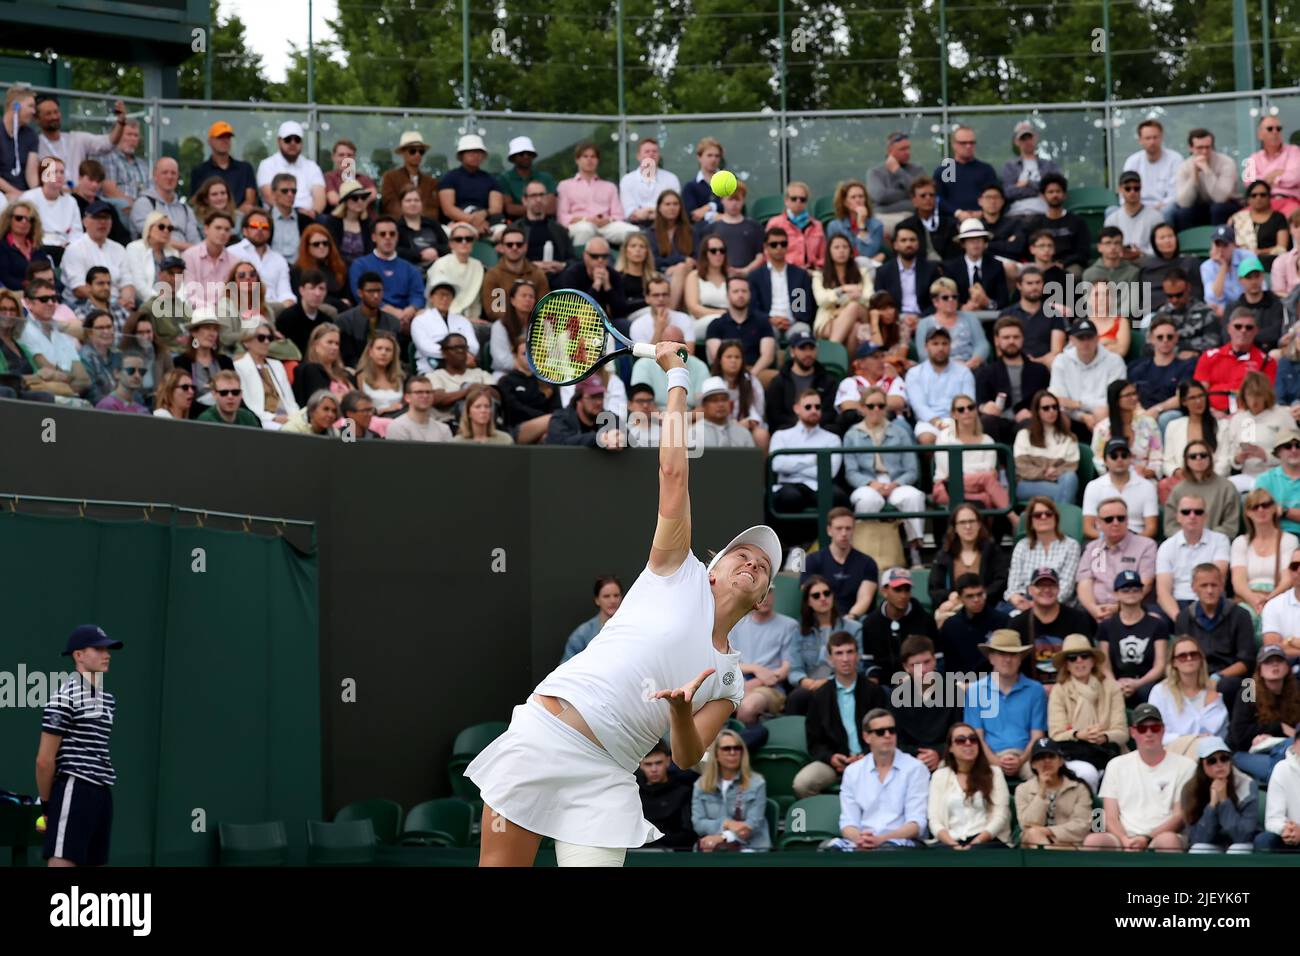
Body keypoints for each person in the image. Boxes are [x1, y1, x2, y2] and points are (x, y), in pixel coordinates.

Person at [468, 344, 781, 867]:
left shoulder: (728, 680)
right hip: (546, 735)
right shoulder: (675, 571)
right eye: (742, 553)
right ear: (714, 565)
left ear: (764, 597)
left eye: (764, 566)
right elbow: (673, 474)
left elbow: (685, 756)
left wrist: (681, 712)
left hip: (608, 775)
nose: (752, 563)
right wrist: (677, 378)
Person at [35, 624, 125, 867]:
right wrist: (46, 805)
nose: (107, 655)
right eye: (98, 649)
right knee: (63, 863)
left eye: (108, 649)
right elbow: (44, 760)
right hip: (74, 788)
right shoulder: (64, 697)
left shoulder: (108, 700)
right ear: (78, 655)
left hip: (102, 793)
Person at [1083, 702, 1196, 851]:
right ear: (1133, 732)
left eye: (1154, 728)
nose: (1149, 733)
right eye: (1142, 729)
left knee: (1169, 840)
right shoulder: (1116, 765)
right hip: (1123, 836)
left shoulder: (1186, 765)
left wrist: (1146, 838)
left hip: (1162, 835)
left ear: (1163, 730)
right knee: (1093, 840)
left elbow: (1179, 816)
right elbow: (1109, 816)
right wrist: (1125, 840)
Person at [793, 632, 889, 797]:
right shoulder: (820, 696)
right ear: (830, 659)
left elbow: (885, 731)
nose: (845, 659)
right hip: (834, 762)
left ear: (857, 656)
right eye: (839, 653)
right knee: (802, 784)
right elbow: (814, 741)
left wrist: (866, 755)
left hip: (872, 759)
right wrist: (831, 758)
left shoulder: (874, 691)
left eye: (849, 652)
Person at [828, 708, 928, 850]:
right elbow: (848, 823)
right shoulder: (853, 772)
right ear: (867, 737)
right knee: (829, 848)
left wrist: (881, 839)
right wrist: (863, 839)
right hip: (862, 842)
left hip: (901, 844)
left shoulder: (916, 768)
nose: (888, 735)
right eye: (881, 732)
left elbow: (916, 823)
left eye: (892, 730)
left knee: (889, 847)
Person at [843, 389, 925, 563]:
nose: (876, 410)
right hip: (867, 483)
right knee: (867, 501)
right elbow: (851, 472)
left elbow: (911, 470)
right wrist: (870, 483)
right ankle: (865, 552)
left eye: (880, 406)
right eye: (870, 406)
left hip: (896, 482)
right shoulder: (852, 434)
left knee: (914, 496)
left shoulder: (900, 432)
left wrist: (895, 484)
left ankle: (915, 549)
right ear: (862, 408)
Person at [1048, 634, 1128, 792]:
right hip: (1073, 753)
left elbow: (1122, 731)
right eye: (1072, 658)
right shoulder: (1059, 691)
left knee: (1117, 772)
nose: (1079, 661)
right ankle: (1090, 816)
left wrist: (1104, 736)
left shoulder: (1111, 687)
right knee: (1087, 773)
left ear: (1093, 661)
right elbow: (1055, 733)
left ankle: (1107, 816)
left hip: (1107, 751)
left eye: (1084, 656)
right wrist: (1078, 734)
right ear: (1066, 665)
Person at [965, 629, 1047, 781]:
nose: (1007, 659)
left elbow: (1037, 735)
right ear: (991, 658)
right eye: (1002, 654)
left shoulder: (1035, 690)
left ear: (1020, 659)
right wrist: (995, 762)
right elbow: (976, 736)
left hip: (1026, 757)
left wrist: (1021, 760)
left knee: (1043, 778)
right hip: (989, 757)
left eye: (1013, 654)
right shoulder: (976, 690)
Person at [931, 394, 1017, 529]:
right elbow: (950, 471)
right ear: (953, 414)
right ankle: (1013, 518)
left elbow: (989, 468)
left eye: (970, 408)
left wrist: (975, 473)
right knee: (987, 483)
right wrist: (982, 474)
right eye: (961, 409)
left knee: (986, 498)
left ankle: (985, 543)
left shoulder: (988, 440)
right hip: (948, 487)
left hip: (979, 488)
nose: (966, 412)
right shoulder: (944, 437)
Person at [784, 577, 865, 717]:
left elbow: (859, 665)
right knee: (797, 698)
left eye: (827, 593)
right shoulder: (799, 631)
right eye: (816, 595)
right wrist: (807, 682)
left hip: (842, 682)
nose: (823, 598)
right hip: (810, 685)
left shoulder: (853, 628)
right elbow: (794, 670)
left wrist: (828, 682)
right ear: (808, 602)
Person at [768, 387, 849, 519]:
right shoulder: (781, 435)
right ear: (796, 409)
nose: (813, 410)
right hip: (788, 486)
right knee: (789, 498)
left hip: (819, 486)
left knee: (838, 497)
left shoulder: (832, 438)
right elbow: (776, 465)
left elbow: (828, 473)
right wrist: (812, 461)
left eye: (817, 407)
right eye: (808, 407)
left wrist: (792, 467)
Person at [928, 722, 1012, 848]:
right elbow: (934, 820)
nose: (968, 743)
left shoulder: (994, 773)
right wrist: (953, 844)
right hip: (950, 841)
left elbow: (1000, 816)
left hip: (987, 841)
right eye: (961, 740)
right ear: (950, 747)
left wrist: (975, 843)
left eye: (973, 739)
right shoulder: (939, 776)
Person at [1010, 568, 1097, 682]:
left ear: (1059, 589)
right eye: (1040, 586)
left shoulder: (1077, 619)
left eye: (1052, 585)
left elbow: (1088, 658)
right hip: (1030, 689)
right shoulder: (1018, 623)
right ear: (1030, 590)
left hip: (1071, 686)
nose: (1046, 590)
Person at [890, 636, 963, 769]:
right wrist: (917, 755)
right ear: (906, 667)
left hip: (947, 761)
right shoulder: (897, 696)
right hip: (908, 762)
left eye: (927, 662)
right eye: (915, 665)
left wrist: (939, 753)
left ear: (935, 660)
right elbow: (895, 740)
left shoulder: (953, 691)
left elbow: (960, 734)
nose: (923, 670)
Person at [1230, 645, 1300, 784]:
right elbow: (1239, 734)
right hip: (1246, 752)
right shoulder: (1248, 689)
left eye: (1279, 660)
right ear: (1259, 670)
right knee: (1285, 770)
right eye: (1268, 661)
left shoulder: (1297, 688)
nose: (1274, 664)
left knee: (1288, 764)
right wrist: (1279, 728)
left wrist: (1273, 737)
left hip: (1287, 750)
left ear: (1287, 667)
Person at [976, 317, 1050, 447]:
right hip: (998, 421)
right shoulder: (986, 372)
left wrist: (1034, 412)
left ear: (1023, 339)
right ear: (997, 340)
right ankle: (998, 465)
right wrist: (985, 407)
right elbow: (979, 401)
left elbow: (1046, 399)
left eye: (1016, 337)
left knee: (1032, 424)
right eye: (1006, 337)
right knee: (987, 421)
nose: (1011, 341)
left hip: (1028, 420)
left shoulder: (1040, 371)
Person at [691, 731, 770, 852]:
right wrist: (726, 823)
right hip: (711, 846)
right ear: (716, 754)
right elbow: (698, 824)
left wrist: (723, 837)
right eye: (727, 749)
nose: (733, 752)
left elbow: (753, 824)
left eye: (737, 748)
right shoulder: (701, 785)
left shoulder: (757, 783)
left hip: (750, 846)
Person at [1097, 570, 1169, 704]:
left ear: (1142, 592)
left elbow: (1160, 665)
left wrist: (1138, 683)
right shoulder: (1106, 626)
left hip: (1147, 682)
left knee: (1151, 691)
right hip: (1116, 681)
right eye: (1125, 589)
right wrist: (1115, 684)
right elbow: (1104, 665)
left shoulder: (1157, 624)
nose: (1131, 593)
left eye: (1136, 589)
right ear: (1116, 594)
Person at [1148, 636, 1230, 753]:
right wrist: (1192, 740)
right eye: (1182, 656)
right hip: (1175, 754)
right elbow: (1156, 733)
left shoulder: (1215, 692)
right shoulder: (1160, 692)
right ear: (1174, 662)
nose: (1189, 658)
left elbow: (1223, 734)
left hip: (1212, 757)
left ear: (1201, 659)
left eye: (1194, 654)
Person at [930, 506, 1010, 626]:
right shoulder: (944, 555)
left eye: (972, 521)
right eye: (962, 522)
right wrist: (950, 596)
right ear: (955, 527)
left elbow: (1001, 581)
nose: (968, 527)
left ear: (979, 524)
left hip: (987, 607)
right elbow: (934, 588)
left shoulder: (992, 551)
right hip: (954, 608)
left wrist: (980, 597)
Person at [1158, 494, 1234, 620]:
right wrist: (1180, 620)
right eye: (1186, 512)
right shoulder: (1167, 547)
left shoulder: (1220, 540)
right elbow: (1163, 592)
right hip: (1178, 602)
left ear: (1205, 516)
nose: (1192, 516)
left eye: (1198, 512)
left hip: (1210, 600)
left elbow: (1216, 578)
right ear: (1178, 517)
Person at [727, 589, 796, 725]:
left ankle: (743, 744)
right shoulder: (736, 623)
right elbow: (727, 661)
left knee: (747, 708)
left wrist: (756, 682)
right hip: (736, 683)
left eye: (768, 592)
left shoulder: (789, 625)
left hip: (770, 687)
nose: (764, 597)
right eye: (759, 592)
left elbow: (786, 668)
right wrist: (755, 668)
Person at [1180, 735, 1260, 853]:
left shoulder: (1247, 785)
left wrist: (1224, 800)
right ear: (1202, 765)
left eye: (1224, 758)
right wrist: (1212, 805)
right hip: (1213, 844)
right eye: (1212, 761)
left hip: (1242, 845)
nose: (1219, 764)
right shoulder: (1190, 789)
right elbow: (1197, 839)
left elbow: (1242, 837)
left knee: (1237, 849)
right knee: (1198, 849)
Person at [346, 218, 426, 335]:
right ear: (374, 237)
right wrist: (392, 312)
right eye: (382, 234)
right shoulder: (360, 265)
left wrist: (410, 310)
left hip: (406, 317)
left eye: (392, 234)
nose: (388, 237)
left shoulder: (410, 268)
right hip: (374, 313)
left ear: (397, 237)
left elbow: (418, 295)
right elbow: (360, 295)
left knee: (424, 316)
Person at [1231, 489, 1299, 626]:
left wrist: (1269, 600)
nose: (1261, 510)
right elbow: (1238, 582)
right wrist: (1254, 600)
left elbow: (1287, 579)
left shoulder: (1289, 540)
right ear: (1248, 512)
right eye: (1254, 507)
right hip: (1247, 598)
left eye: (1266, 505)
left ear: (1274, 508)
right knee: (1243, 617)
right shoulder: (1240, 542)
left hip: (1279, 596)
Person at [1049, 319, 1128, 436]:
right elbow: (1059, 400)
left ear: (1097, 339)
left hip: (1104, 416)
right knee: (1055, 412)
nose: (1086, 343)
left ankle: (1106, 451)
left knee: (1103, 411)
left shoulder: (1114, 361)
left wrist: (1079, 404)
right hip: (1072, 416)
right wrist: (1083, 417)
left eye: (1089, 337)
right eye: (1081, 338)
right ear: (1072, 340)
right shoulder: (1061, 361)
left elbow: (1114, 400)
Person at [800, 507, 880, 620]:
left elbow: (865, 598)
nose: (844, 533)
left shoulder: (868, 563)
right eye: (839, 528)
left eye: (848, 528)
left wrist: (849, 619)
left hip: (855, 620)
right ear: (829, 530)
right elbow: (810, 594)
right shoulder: (811, 560)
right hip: (821, 620)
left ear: (854, 530)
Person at [860, 567, 938, 683]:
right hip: (884, 686)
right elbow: (869, 662)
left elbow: (938, 658)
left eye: (907, 590)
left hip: (921, 683)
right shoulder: (870, 623)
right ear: (884, 591)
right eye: (897, 590)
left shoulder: (925, 619)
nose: (903, 595)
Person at [556, 141, 639, 248]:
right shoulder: (565, 186)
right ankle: (580, 261)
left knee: (634, 232)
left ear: (597, 160)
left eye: (593, 156)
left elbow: (618, 215)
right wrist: (586, 219)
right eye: (585, 156)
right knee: (586, 229)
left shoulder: (609, 187)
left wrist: (607, 220)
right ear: (577, 160)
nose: (589, 160)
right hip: (580, 225)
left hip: (607, 226)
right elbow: (562, 217)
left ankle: (625, 263)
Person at [1016, 738, 1094, 848]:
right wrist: (1041, 792)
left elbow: (1082, 824)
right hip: (1034, 844)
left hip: (1069, 844)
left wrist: (1048, 831)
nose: (1046, 761)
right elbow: (1027, 824)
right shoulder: (1023, 789)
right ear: (1032, 765)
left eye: (1051, 756)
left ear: (1061, 761)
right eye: (1041, 758)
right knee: (1032, 833)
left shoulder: (1078, 788)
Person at [1005, 498, 1082, 609]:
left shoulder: (1071, 545)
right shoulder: (1022, 546)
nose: (1043, 517)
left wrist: (1039, 605)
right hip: (1024, 604)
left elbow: (1066, 589)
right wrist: (1018, 601)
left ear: (1056, 518)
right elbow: (1013, 587)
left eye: (1049, 514)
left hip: (1059, 606)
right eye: (1037, 515)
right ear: (1030, 522)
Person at [905, 327, 976, 446]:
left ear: (950, 346)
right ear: (926, 347)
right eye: (935, 344)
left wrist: (955, 423)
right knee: (927, 439)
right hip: (928, 422)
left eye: (944, 343)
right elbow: (919, 406)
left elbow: (968, 402)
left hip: (960, 419)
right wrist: (939, 423)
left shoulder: (964, 372)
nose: (940, 348)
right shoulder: (914, 373)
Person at [1159, 382, 1227, 506]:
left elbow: (1224, 460)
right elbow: (1167, 461)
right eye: (1193, 398)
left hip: (1211, 479)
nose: (1198, 401)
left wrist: (1205, 477)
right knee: (1164, 485)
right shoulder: (1174, 426)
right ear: (1184, 402)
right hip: (1182, 480)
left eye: (1201, 396)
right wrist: (1178, 472)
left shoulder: (1221, 426)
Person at [748, 227, 816, 350]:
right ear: (766, 247)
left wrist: (791, 319)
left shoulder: (798, 274)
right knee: (764, 333)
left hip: (793, 322)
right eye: (774, 245)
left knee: (803, 331)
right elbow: (754, 307)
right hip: (767, 322)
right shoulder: (756, 276)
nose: (779, 248)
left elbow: (802, 307)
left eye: (783, 244)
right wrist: (771, 319)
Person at [1224, 371, 1290, 493]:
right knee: (1226, 489)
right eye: (1250, 395)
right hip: (1247, 475)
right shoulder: (1238, 419)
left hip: (1275, 475)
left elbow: (1293, 452)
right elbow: (1229, 457)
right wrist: (1237, 459)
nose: (1254, 401)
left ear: (1266, 395)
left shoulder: (1282, 415)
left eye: (1258, 395)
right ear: (1244, 396)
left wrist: (1265, 455)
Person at [1012, 389, 1079, 504]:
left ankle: (1058, 519)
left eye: (1055, 407)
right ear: (1037, 411)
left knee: (1070, 478)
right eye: (1046, 408)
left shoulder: (1069, 438)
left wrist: (1056, 471)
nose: (1052, 411)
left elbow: (1071, 466)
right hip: (1028, 483)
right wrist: (1043, 473)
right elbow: (1022, 467)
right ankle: (1064, 518)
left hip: (1059, 481)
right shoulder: (1024, 435)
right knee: (1064, 492)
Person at [764, 331, 839, 432]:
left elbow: (829, 412)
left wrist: (811, 423)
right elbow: (775, 415)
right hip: (788, 433)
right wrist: (802, 424)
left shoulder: (827, 381)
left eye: (811, 348)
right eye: (802, 348)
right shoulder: (779, 382)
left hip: (820, 431)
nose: (808, 354)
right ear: (792, 352)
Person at [1162, 441, 1239, 538]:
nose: (1198, 458)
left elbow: (1230, 526)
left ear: (1210, 458)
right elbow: (1170, 526)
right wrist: (1189, 538)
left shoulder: (1227, 488)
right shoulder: (1178, 490)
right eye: (1193, 456)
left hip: (1216, 544)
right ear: (1186, 460)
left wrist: (1205, 538)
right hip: (1184, 545)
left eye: (1203, 455)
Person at [1172, 128, 1242, 231]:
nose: (1204, 152)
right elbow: (1184, 203)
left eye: (1207, 147)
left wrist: (1207, 171)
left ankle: (1219, 244)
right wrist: (1194, 176)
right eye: (1199, 148)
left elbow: (1220, 198)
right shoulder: (1184, 167)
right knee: (1183, 213)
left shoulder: (1226, 162)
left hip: (1227, 205)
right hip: (1200, 206)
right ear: (1191, 148)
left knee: (1218, 209)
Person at [233, 321, 298, 429]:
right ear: (246, 342)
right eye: (261, 338)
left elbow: (290, 400)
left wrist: (295, 417)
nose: (267, 342)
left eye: (270, 338)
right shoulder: (239, 366)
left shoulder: (277, 365)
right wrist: (273, 418)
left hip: (287, 418)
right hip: (262, 420)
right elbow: (249, 404)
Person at [813, 234, 873, 348]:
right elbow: (821, 300)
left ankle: (831, 352)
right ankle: (846, 365)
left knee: (854, 307)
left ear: (851, 251)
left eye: (845, 247)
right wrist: (843, 290)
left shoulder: (863, 273)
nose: (841, 251)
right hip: (828, 318)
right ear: (829, 252)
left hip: (860, 314)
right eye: (836, 247)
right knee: (855, 328)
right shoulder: (819, 275)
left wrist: (846, 305)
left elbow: (870, 298)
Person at [916, 277, 989, 371]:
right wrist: (949, 367)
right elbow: (923, 354)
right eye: (945, 298)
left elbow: (981, 344)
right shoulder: (924, 323)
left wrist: (971, 363)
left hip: (970, 367)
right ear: (935, 302)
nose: (951, 300)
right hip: (937, 369)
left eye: (954, 297)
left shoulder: (970, 317)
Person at [188, 121, 258, 217]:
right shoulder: (199, 171)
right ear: (210, 141)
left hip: (239, 222)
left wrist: (232, 216)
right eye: (220, 137)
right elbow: (196, 203)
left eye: (228, 137)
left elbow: (250, 202)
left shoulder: (245, 168)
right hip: (209, 222)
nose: (225, 141)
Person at [710, 336, 769, 450]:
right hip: (718, 427)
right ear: (720, 360)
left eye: (737, 357)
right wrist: (733, 426)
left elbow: (758, 411)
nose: (733, 361)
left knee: (761, 435)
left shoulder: (751, 382)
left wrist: (750, 422)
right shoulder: (713, 383)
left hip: (746, 426)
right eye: (729, 357)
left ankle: (760, 468)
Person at [636, 742, 697, 850]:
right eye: (648, 764)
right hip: (636, 851)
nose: (654, 769)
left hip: (674, 853)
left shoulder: (684, 791)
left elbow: (688, 833)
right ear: (640, 764)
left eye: (658, 763)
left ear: (668, 761)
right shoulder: (633, 791)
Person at [498, 339, 560, 445]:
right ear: (514, 355)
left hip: (547, 427)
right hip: (516, 429)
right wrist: (542, 417)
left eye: (532, 353)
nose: (529, 357)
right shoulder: (506, 381)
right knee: (554, 419)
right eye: (524, 354)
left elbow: (556, 408)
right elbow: (514, 409)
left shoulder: (548, 381)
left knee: (548, 436)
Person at [874, 223, 939, 324]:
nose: (908, 244)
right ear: (895, 245)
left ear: (918, 244)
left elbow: (937, 301)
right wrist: (901, 318)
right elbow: (880, 303)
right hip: (894, 321)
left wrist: (920, 319)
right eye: (903, 240)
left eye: (912, 240)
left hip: (925, 320)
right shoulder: (883, 271)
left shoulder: (931, 269)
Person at [256, 121, 324, 216]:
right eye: (288, 139)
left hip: (309, 217)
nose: (293, 143)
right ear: (279, 141)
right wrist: (292, 214)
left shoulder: (312, 166)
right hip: (278, 216)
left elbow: (320, 197)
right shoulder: (267, 164)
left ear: (302, 142)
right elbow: (269, 196)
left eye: (297, 139)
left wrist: (314, 212)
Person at [1028, 173, 1092, 273]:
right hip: (1041, 265)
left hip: (1069, 266)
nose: (1055, 195)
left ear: (1065, 195)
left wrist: (1063, 263)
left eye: (1058, 191)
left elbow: (1083, 252)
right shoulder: (1036, 223)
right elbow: (1028, 250)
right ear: (1043, 196)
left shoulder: (1077, 221)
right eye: (1050, 192)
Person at [412, 279, 478, 374]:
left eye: (448, 295)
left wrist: (460, 356)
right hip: (431, 368)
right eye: (440, 294)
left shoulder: (463, 320)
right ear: (431, 297)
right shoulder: (420, 320)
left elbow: (473, 346)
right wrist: (456, 355)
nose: (445, 298)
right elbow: (425, 347)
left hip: (463, 366)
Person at [943, 218, 1010, 310]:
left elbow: (1003, 301)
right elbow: (946, 297)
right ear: (963, 244)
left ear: (985, 243)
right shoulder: (951, 268)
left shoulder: (996, 266)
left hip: (990, 319)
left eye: (979, 239)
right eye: (971, 240)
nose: (975, 244)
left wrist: (987, 302)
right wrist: (963, 307)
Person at [867, 132, 925, 236]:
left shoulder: (917, 170)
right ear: (890, 151)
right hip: (884, 217)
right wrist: (907, 194)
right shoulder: (875, 172)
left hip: (912, 216)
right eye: (902, 149)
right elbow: (880, 196)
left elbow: (922, 193)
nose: (907, 152)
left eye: (908, 148)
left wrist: (898, 171)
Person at [21, 157, 82, 254]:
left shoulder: (71, 202)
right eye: (54, 172)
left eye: (62, 172)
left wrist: (70, 244)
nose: (59, 176)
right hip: (37, 247)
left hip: (65, 248)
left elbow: (77, 231)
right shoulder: (29, 198)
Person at [545, 375, 624, 449]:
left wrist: (619, 438)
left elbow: (629, 437)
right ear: (578, 399)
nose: (599, 402)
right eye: (593, 397)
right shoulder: (561, 418)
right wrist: (600, 438)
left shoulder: (609, 418)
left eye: (601, 396)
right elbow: (560, 442)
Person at [1243, 115, 1300, 217]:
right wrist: (1278, 174)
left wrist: (1266, 179)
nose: (1275, 132)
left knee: (1286, 221)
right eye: (1270, 129)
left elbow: (1295, 178)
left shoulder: (1294, 151)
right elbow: (1249, 184)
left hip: (1289, 201)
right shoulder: (1253, 157)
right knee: (1236, 221)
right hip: (1260, 203)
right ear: (1260, 135)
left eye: (1278, 128)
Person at [835, 342, 907, 422]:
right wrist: (882, 405)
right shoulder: (850, 382)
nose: (881, 361)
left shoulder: (893, 378)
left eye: (882, 356)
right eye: (875, 357)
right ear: (862, 363)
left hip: (892, 425)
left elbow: (898, 402)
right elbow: (847, 406)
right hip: (858, 426)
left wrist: (861, 405)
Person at [620, 138, 681, 229]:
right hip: (635, 226)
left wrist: (647, 212)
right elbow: (629, 211)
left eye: (654, 151)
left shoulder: (671, 179)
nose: (651, 154)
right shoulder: (627, 180)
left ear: (659, 156)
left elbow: (674, 207)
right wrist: (655, 212)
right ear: (638, 156)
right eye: (647, 151)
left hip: (666, 225)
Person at [1002, 121, 1059, 217]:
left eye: (1029, 137)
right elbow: (1008, 193)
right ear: (1016, 142)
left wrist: (1027, 183)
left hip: (1045, 214)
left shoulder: (1049, 165)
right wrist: (1040, 191)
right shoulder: (1010, 166)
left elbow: (1055, 190)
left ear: (1036, 138)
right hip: (1016, 215)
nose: (1027, 141)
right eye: (1023, 138)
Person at [766, 180, 826, 271]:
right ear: (786, 201)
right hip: (784, 272)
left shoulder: (817, 225)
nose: (798, 202)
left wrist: (818, 267)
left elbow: (823, 255)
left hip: (811, 273)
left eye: (802, 199)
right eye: (794, 198)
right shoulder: (775, 223)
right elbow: (767, 252)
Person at [291, 322, 356, 405]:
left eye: (337, 343)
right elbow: (320, 402)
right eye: (330, 342)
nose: (334, 347)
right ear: (315, 345)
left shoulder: (345, 374)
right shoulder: (310, 370)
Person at [897, 176, 958, 263]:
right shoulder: (905, 227)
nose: (928, 198)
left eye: (932, 195)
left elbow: (954, 256)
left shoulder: (949, 225)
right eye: (923, 196)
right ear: (914, 201)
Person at [1104, 171, 1165, 257]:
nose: (1132, 192)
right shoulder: (1111, 219)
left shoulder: (1156, 217)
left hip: (1148, 265)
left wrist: (1141, 253)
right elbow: (1107, 247)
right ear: (1120, 189)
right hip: (1120, 264)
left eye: (1136, 188)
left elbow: (1161, 248)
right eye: (1128, 188)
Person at [380, 132, 439, 219]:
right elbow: (390, 205)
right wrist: (408, 220)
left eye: (421, 151)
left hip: (425, 227)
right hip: (399, 226)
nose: (417, 154)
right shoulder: (390, 177)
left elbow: (433, 208)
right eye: (412, 151)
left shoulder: (431, 182)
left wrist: (420, 222)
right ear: (402, 153)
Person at [1231, 182, 1290, 270]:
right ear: (1248, 199)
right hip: (1243, 262)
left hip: (1271, 261)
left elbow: (1282, 247)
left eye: (1263, 195)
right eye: (1254, 195)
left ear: (1269, 197)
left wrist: (1259, 252)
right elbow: (1231, 245)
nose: (1258, 198)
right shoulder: (1239, 218)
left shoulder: (1278, 217)